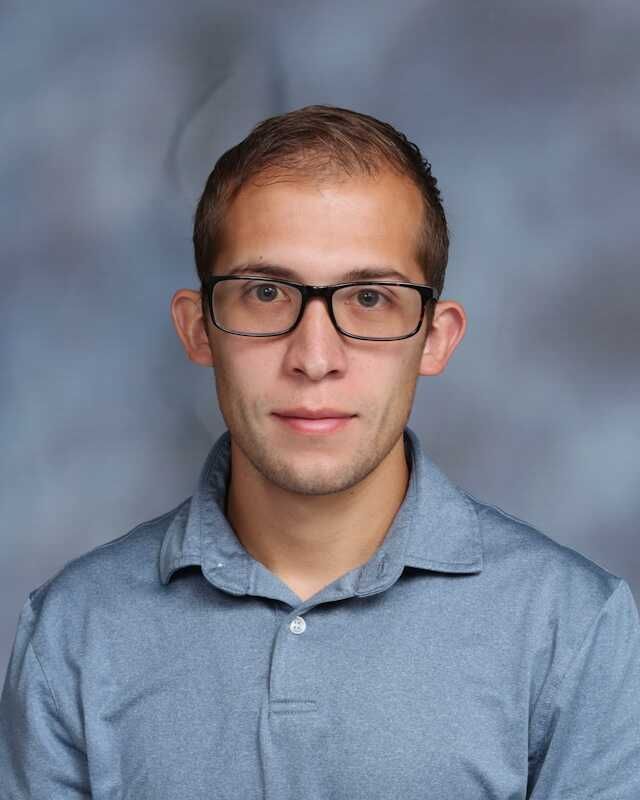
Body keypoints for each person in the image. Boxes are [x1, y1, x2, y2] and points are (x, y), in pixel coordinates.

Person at [1, 104, 638, 799]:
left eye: (369, 298)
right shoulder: (74, 629)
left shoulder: (574, 628)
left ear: (435, 339)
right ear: (198, 329)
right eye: (266, 293)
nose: (314, 358)